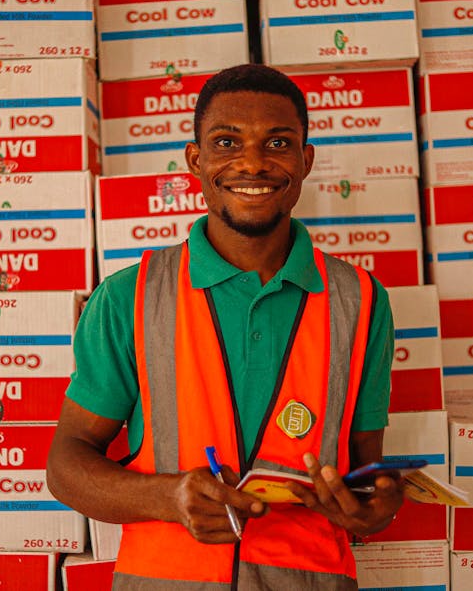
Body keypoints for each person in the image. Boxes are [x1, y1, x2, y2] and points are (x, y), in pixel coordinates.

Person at [47, 63, 402, 590]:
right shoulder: (131, 296)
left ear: (305, 161)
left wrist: (378, 504)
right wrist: (166, 498)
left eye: (278, 143)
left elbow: (365, 470)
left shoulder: (362, 300)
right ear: (196, 159)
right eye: (227, 141)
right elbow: (65, 464)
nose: (253, 163)